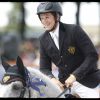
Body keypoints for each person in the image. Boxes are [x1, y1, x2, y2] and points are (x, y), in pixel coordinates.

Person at [37, 2, 100, 98]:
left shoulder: (74, 30)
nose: (44, 21)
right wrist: (52, 79)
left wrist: (74, 76)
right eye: (42, 18)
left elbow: (92, 55)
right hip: (63, 84)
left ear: (57, 16)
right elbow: (44, 68)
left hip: (86, 81)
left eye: (47, 17)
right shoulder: (42, 39)